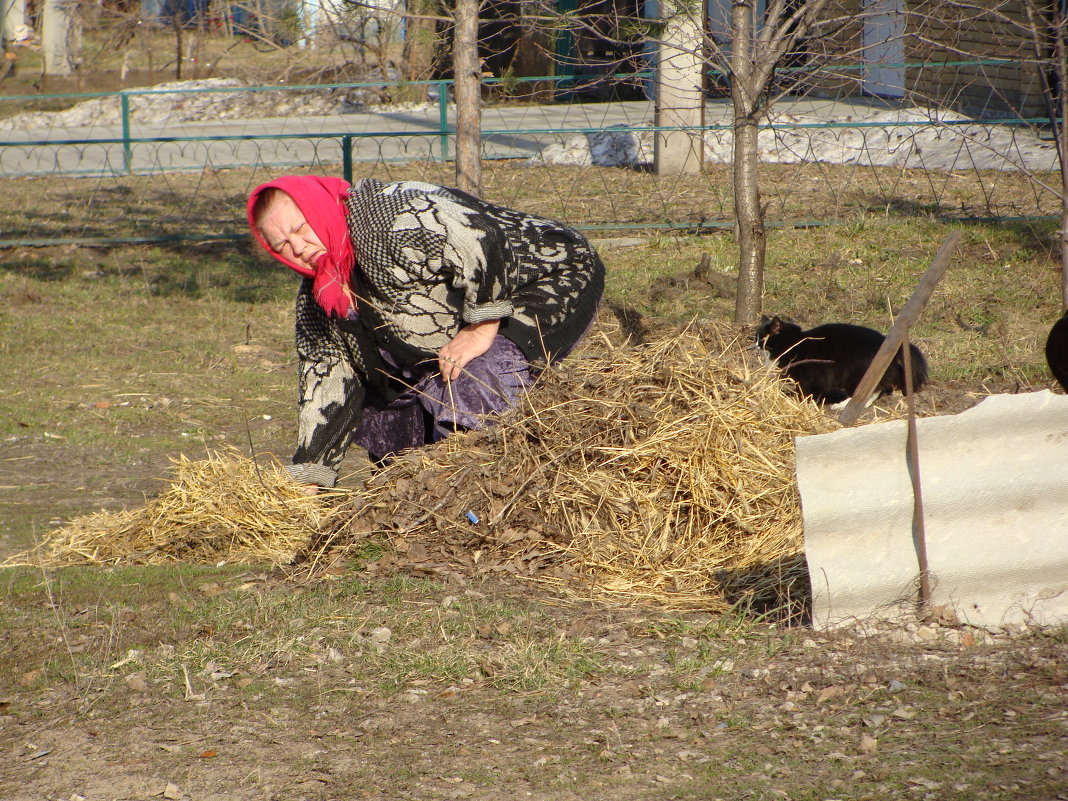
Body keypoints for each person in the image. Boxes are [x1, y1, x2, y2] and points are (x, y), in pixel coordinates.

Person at [247, 175, 605, 491]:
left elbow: (483, 237)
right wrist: (312, 472)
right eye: (281, 246)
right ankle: (428, 492)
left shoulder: (389, 215)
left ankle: (495, 488)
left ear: (319, 208)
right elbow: (326, 378)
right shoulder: (319, 295)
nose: (297, 248)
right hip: (460, 314)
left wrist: (481, 325)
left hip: (541, 276)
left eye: (299, 228)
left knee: (473, 376)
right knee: (385, 397)